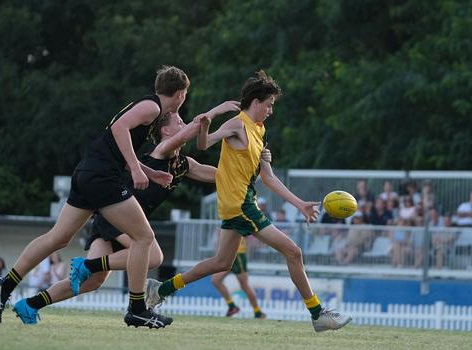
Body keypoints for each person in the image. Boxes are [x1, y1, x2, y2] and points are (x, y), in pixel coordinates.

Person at [145, 71, 351, 332]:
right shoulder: (237, 124)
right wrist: (207, 123)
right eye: (269, 104)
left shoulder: (259, 131)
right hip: (240, 204)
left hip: (241, 202)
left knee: (221, 263)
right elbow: (204, 144)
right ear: (256, 102)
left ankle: (160, 290)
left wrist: (299, 204)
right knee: (293, 251)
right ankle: (317, 313)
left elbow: (268, 178)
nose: (270, 111)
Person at [0, 66, 191, 327]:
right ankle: (138, 308)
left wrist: (150, 173)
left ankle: (4, 285)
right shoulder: (152, 108)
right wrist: (139, 169)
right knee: (145, 238)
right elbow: (119, 128)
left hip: (88, 172)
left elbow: (117, 147)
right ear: (180, 94)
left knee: (58, 238)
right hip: (102, 178)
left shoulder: (148, 109)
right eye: (184, 95)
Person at [12, 110, 250, 324]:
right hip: (116, 218)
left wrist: (251, 168)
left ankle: (30, 305)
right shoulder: (161, 151)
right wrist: (219, 112)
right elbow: (188, 133)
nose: (184, 122)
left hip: (122, 222)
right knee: (154, 255)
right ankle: (88, 266)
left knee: (92, 281)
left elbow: (223, 176)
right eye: (179, 120)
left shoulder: (183, 163)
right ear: (165, 131)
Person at [211, 236, 267, 319]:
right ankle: (232, 306)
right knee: (216, 280)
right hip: (228, 255)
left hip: (238, 255)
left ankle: (258, 312)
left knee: (244, 285)